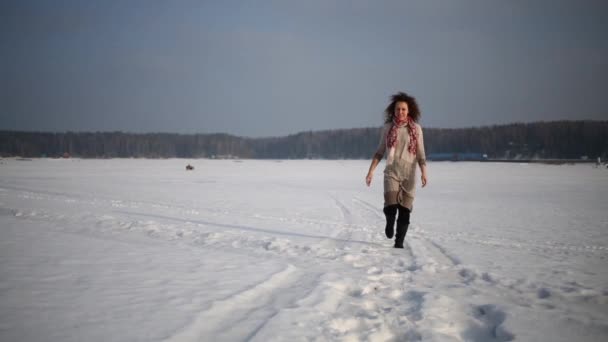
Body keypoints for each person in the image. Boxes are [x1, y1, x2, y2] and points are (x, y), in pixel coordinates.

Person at [365, 92, 428, 248]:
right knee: (391, 205)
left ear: (409, 111)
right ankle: (389, 221)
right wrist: (371, 171)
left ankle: (399, 244)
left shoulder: (416, 129)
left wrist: (424, 172)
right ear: (393, 111)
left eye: (403, 109)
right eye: (398, 109)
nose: (400, 112)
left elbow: (421, 154)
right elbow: (380, 151)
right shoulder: (388, 128)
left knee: (405, 211)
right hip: (391, 172)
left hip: (409, 174)